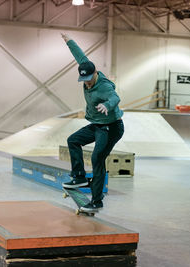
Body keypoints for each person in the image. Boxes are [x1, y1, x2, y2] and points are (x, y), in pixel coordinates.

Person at [61, 33, 124, 213]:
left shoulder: (104, 85)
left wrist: (107, 105)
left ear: (95, 74)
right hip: (97, 125)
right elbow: (80, 56)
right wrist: (69, 41)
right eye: (84, 81)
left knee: (97, 158)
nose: (87, 84)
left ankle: (96, 201)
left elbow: (115, 96)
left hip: (112, 128)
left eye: (89, 80)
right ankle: (79, 177)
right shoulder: (86, 68)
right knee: (73, 140)